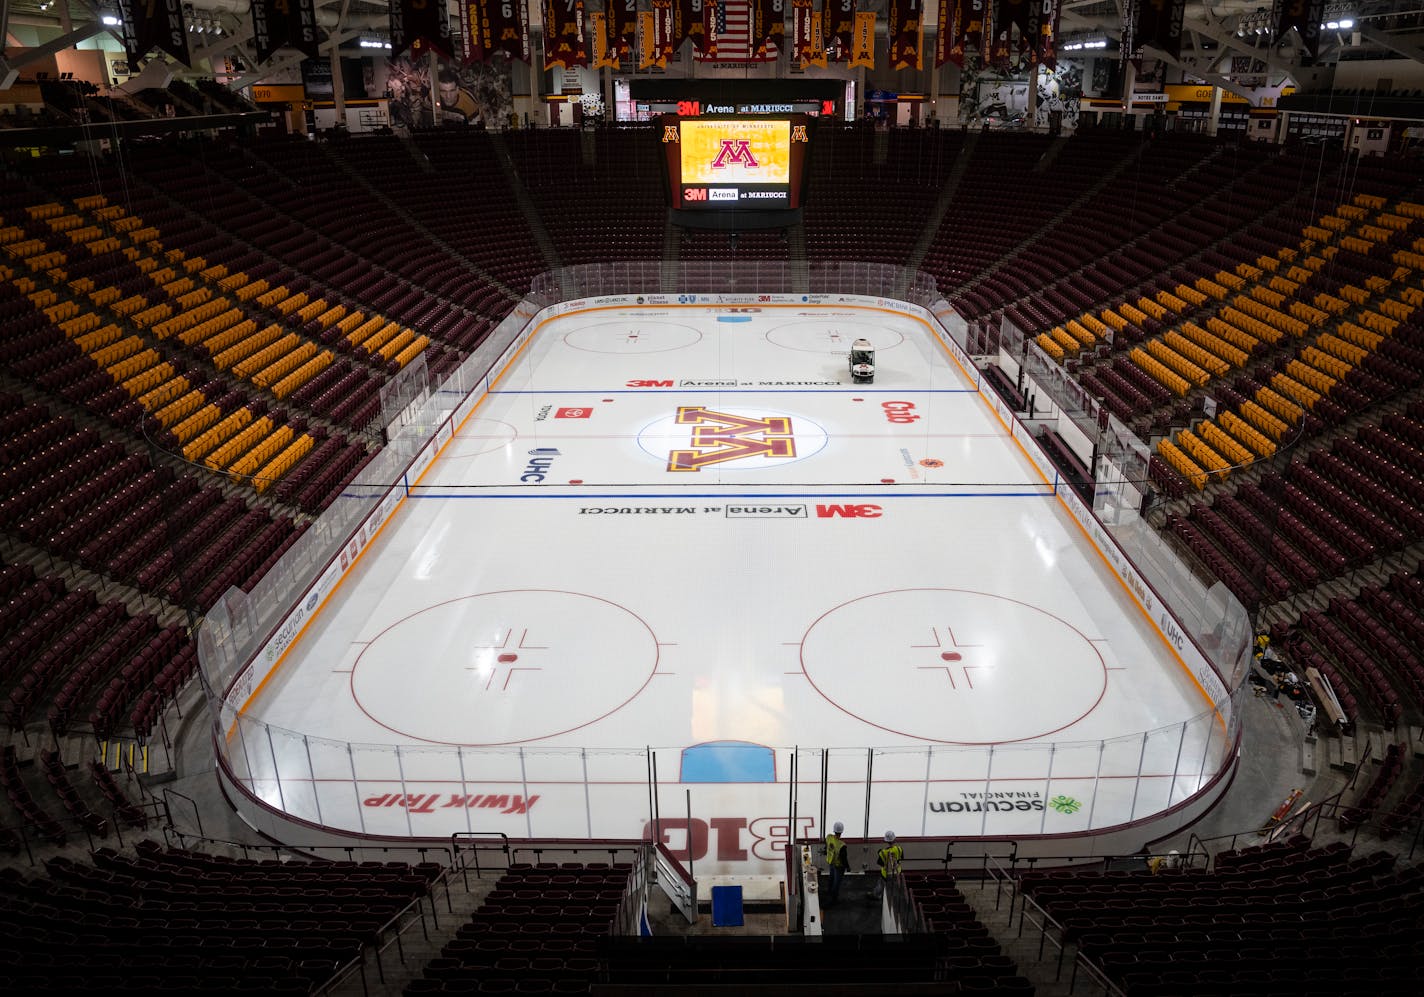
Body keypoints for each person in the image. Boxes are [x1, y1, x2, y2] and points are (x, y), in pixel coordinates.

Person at [824, 822, 848, 907]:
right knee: (836, 883)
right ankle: (833, 899)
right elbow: (843, 859)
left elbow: (826, 846)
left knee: (831, 878)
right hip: (839, 866)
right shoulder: (842, 845)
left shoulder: (829, 837)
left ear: (834, 831)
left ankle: (829, 892)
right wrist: (848, 867)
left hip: (831, 863)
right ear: (841, 832)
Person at [874, 830, 902, 899]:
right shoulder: (899, 849)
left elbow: (880, 863)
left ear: (886, 841)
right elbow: (900, 858)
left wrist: (880, 853)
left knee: (880, 884)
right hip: (897, 872)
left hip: (885, 874)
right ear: (894, 839)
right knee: (895, 887)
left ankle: (876, 895)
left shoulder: (883, 852)